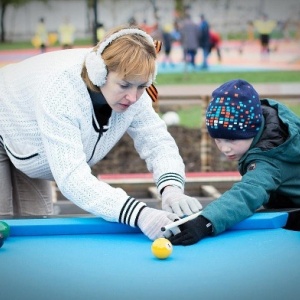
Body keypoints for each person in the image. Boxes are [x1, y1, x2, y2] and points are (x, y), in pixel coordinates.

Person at [0, 25, 202, 241]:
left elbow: (158, 143)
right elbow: (72, 178)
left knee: (36, 229)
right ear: (99, 73)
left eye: (142, 86)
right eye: (124, 85)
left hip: (31, 149)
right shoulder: (60, 93)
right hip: (6, 116)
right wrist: (140, 214)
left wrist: (171, 188)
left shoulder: (135, 91)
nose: (133, 97)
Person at [169, 79, 300, 246]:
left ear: (251, 129)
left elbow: (247, 194)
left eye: (232, 139)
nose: (224, 149)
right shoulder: (267, 116)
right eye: (217, 140)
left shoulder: (269, 159)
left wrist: (205, 222)